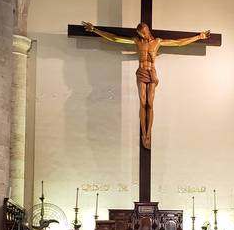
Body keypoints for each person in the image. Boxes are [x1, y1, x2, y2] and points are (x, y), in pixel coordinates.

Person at [83, 21, 210, 149]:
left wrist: (199, 37)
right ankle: (144, 134)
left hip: (152, 73)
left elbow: (178, 43)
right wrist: (95, 30)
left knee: (150, 103)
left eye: (143, 33)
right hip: (141, 72)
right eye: (140, 34)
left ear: (147, 30)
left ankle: (149, 133)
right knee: (142, 103)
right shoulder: (137, 41)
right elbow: (116, 38)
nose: (143, 36)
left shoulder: (157, 42)